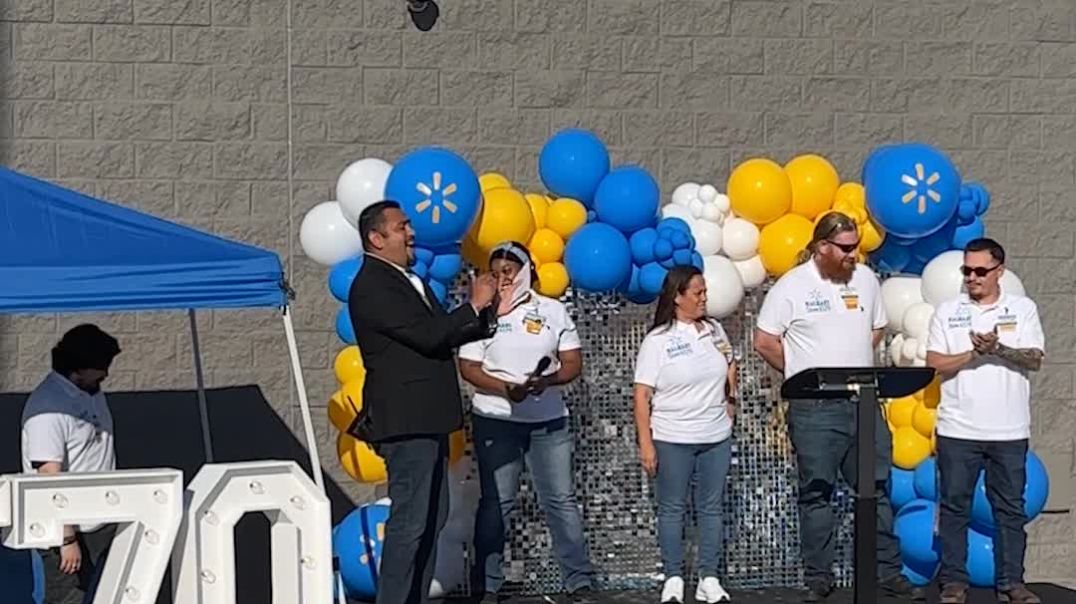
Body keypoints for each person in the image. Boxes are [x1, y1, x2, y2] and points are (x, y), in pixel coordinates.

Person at [752, 212, 923, 602]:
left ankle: (886, 571)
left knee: (876, 487)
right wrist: (801, 373)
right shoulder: (791, 287)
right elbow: (764, 341)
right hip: (815, 407)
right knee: (817, 491)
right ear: (821, 247)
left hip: (863, 400)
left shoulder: (865, 279)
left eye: (855, 247)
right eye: (845, 249)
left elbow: (875, 328)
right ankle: (818, 576)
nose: (853, 255)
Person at [348, 200, 498, 604]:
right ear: (376, 239)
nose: (411, 233)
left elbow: (440, 333)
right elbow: (429, 336)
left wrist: (486, 312)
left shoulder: (405, 279)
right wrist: (473, 305)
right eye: (401, 227)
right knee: (410, 522)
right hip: (405, 420)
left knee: (433, 518)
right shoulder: (373, 285)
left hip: (427, 418)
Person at [458, 241, 595, 604]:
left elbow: (572, 362)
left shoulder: (552, 310)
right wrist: (505, 388)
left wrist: (546, 381)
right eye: (497, 272)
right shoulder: (482, 313)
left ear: (527, 270)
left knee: (560, 500)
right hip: (496, 419)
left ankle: (578, 581)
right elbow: (468, 366)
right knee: (496, 502)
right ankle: (487, 584)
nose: (503, 279)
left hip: (548, 421)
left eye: (510, 271)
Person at [925, 238, 1045, 604]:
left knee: (1010, 509)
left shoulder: (1021, 309)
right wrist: (972, 354)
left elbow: (1035, 359)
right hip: (958, 428)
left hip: (1009, 430)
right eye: (967, 271)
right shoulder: (948, 311)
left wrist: (999, 348)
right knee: (954, 507)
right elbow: (934, 363)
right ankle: (954, 583)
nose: (972, 278)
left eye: (980, 271)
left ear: (1000, 272)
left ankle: (1013, 583)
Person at [633, 265, 737, 604]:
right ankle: (674, 577)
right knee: (672, 508)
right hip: (673, 436)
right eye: (698, 293)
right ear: (677, 297)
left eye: (705, 292)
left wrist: (730, 399)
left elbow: (730, 362)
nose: (704, 298)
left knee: (711, 508)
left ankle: (708, 576)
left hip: (715, 436)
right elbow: (642, 394)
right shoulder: (659, 340)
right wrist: (646, 443)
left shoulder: (715, 330)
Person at [21, 324, 122, 604]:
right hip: (67, 531)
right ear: (79, 367)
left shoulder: (91, 392)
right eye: (102, 366)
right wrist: (66, 539)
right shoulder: (48, 408)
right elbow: (48, 476)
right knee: (67, 599)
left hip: (99, 522)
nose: (106, 373)